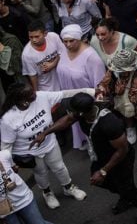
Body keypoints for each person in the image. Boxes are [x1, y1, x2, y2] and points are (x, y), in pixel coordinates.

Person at [36, 93, 137, 224]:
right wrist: (45, 133)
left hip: (120, 159)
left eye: (72, 110)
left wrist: (103, 171)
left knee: (126, 186)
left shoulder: (109, 123)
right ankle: (126, 198)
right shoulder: (83, 113)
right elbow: (67, 120)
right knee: (104, 182)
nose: (70, 113)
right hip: (101, 156)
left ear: (81, 112)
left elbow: (122, 150)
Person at [0, 82, 88, 210]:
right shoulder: (8, 119)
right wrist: (9, 165)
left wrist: (92, 91)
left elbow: (65, 94)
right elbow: (6, 145)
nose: (35, 93)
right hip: (29, 153)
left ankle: (68, 187)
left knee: (59, 167)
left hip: (49, 143)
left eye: (33, 91)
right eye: (30, 94)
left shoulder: (42, 97)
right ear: (21, 100)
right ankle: (47, 193)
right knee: (41, 173)